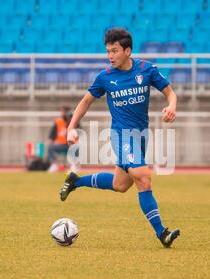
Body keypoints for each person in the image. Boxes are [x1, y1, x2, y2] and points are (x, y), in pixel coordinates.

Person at [59, 28, 180, 248]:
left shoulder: (147, 69)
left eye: (114, 51)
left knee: (120, 185)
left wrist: (171, 106)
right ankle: (162, 233)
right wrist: (71, 127)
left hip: (141, 136)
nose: (110, 56)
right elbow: (85, 101)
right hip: (120, 135)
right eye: (108, 51)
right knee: (143, 177)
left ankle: (76, 181)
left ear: (127, 50)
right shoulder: (105, 77)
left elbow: (170, 93)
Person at [47, 106, 74, 172]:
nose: (62, 113)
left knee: (76, 147)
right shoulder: (58, 121)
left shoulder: (74, 121)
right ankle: (53, 165)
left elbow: (79, 132)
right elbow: (51, 136)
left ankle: (73, 165)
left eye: (63, 112)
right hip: (60, 145)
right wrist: (50, 141)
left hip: (70, 145)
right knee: (50, 147)